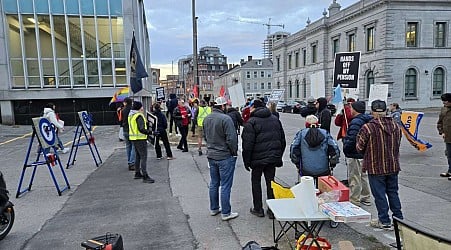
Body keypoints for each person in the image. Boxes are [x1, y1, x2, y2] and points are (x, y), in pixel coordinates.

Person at [356, 100, 403, 230]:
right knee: (393, 192)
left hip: (375, 166)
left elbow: (359, 147)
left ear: (372, 111)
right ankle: (399, 220)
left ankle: (384, 220)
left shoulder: (368, 128)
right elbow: (398, 144)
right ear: (386, 111)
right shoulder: (396, 126)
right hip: (392, 165)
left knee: (380, 195)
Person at [242, 99, 286, 218]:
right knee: (271, 182)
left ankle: (258, 208)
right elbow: (282, 140)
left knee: (256, 182)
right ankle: (272, 209)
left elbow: (247, 145)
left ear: (254, 108)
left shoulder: (251, 122)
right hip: (272, 158)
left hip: (257, 160)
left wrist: (247, 161)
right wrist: (278, 156)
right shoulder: (275, 119)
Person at [203, 96, 239, 221]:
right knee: (225, 185)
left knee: (214, 183)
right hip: (224, 156)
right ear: (223, 106)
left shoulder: (207, 118)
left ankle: (214, 208)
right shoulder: (226, 119)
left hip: (211, 155)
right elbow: (232, 139)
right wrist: (233, 152)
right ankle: (226, 212)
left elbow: (205, 136)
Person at [290, 115, 340, 179]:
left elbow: (294, 149)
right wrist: (333, 163)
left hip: (306, 169)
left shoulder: (301, 134)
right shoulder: (325, 133)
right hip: (323, 169)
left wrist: (297, 163)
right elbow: (334, 149)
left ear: (306, 124)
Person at [342, 101, 372, 207]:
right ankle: (366, 197)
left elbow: (352, 138)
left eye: (351, 108)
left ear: (355, 110)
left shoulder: (356, 122)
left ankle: (354, 199)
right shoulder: (367, 119)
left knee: (354, 177)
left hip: (355, 153)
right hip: (364, 153)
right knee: (363, 176)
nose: (350, 110)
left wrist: (346, 145)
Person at [128, 101, 155, 183]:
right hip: (140, 139)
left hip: (134, 138)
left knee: (138, 156)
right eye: (142, 106)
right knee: (143, 157)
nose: (143, 108)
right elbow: (141, 129)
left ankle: (137, 173)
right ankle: (145, 176)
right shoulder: (139, 116)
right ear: (139, 108)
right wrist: (152, 132)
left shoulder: (131, 115)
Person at [438, 93, 451, 179]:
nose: (444, 104)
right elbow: (440, 122)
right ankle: (450, 171)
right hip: (448, 137)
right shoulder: (443, 110)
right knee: (449, 154)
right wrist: (441, 132)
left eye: (446, 102)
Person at [121, 97, 135, 171]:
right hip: (131, 130)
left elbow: (120, 120)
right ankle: (132, 162)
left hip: (125, 129)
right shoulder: (132, 110)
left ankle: (129, 161)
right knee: (133, 146)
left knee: (128, 146)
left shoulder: (123, 110)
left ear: (126, 102)